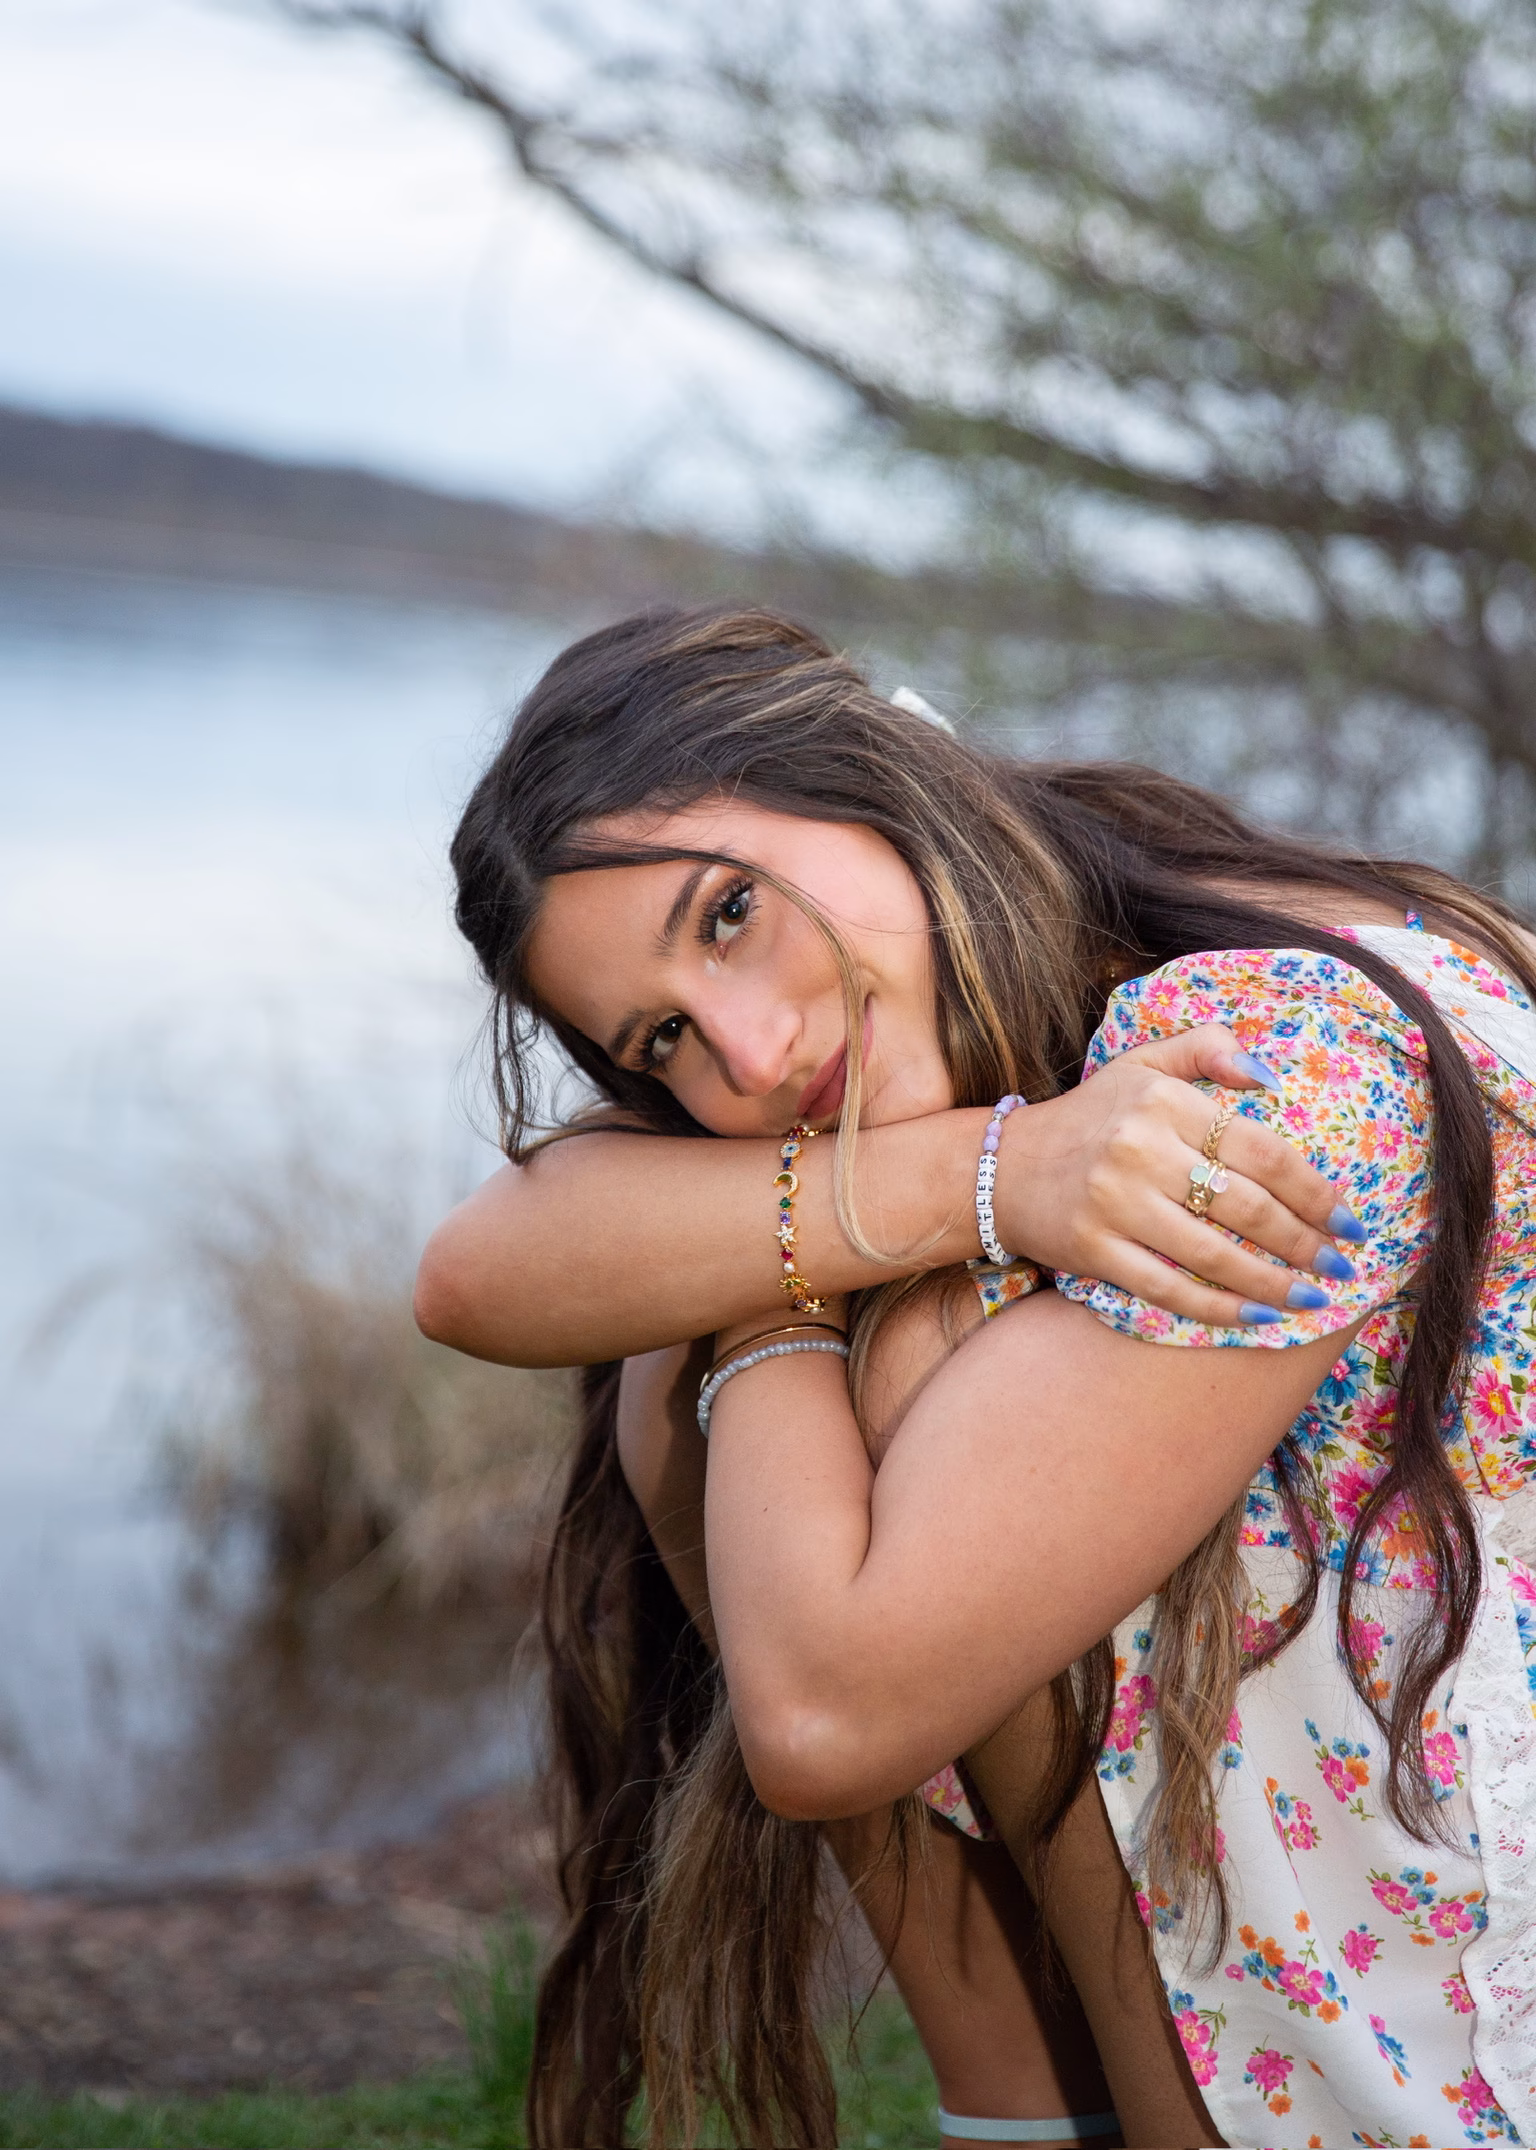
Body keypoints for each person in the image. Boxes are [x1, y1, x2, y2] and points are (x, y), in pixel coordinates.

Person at [419, 606, 1536, 2150]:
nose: (748, 1054)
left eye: (732, 911)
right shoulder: (1078, 958)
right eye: (662, 1038)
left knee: (864, 1359)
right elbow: (471, 1272)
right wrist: (994, 1174)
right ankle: (1028, 2110)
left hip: (1469, 2031)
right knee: (701, 1352)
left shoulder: (1274, 1068)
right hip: (1312, 1950)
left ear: (874, 770)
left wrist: (765, 1289)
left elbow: (822, 1710)